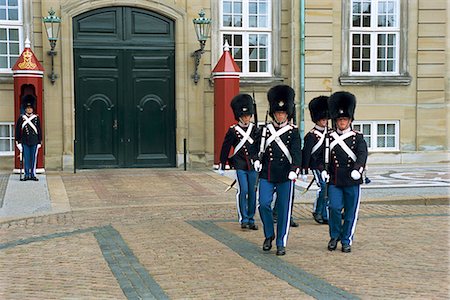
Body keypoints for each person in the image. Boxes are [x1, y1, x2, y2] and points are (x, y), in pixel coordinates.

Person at [254, 85, 301, 256]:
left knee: (283, 209)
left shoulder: (293, 132)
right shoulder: (265, 130)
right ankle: (269, 234)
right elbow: (256, 148)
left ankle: (281, 241)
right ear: (273, 113)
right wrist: (256, 161)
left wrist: (295, 169)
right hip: (267, 173)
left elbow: (297, 152)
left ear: (287, 114)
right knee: (264, 204)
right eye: (278, 113)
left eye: (283, 113)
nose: (280, 115)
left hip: (285, 174)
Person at [323, 91, 368, 253]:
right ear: (336, 120)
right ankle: (334, 235)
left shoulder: (358, 137)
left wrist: (358, 169)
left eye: (345, 119)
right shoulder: (329, 137)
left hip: (351, 180)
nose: (342, 122)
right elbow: (323, 156)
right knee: (334, 208)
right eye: (340, 119)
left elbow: (362, 154)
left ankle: (346, 238)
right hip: (335, 179)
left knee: (350, 212)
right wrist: (323, 170)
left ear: (350, 120)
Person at [219, 94, 259, 230]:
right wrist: (222, 164)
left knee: (253, 191)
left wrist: (259, 160)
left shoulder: (255, 130)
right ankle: (244, 218)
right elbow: (225, 147)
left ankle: (251, 218)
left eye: (248, 115)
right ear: (239, 116)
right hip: (240, 164)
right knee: (243, 190)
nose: (247, 118)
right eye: (244, 116)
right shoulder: (233, 130)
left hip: (253, 165)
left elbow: (260, 147)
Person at [301, 95, 330, 225]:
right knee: (323, 187)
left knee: (328, 189)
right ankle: (317, 211)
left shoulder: (330, 133)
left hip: (327, 166)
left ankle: (325, 213)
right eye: (322, 118)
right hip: (316, 165)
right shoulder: (311, 135)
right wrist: (304, 169)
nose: (324, 121)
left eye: (325, 118)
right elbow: (306, 153)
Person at [15, 95, 42, 181]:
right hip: (25, 141)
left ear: (32, 109)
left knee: (33, 158)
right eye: (27, 108)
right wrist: (18, 141)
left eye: (30, 108)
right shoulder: (21, 118)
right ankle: (26, 174)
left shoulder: (36, 118)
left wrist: (39, 141)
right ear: (25, 109)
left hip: (34, 141)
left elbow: (39, 130)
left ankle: (33, 174)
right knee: (26, 158)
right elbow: (18, 130)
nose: (29, 109)